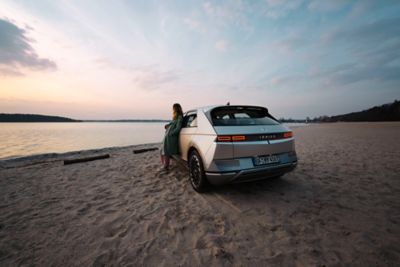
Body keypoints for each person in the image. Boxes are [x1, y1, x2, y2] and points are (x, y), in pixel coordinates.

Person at [161, 103, 183, 170]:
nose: (172, 109)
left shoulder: (179, 117)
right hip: (168, 137)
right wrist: (167, 125)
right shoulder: (175, 117)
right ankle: (165, 165)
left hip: (171, 137)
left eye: (173, 108)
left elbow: (178, 128)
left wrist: (171, 133)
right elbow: (172, 124)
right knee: (163, 151)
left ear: (175, 109)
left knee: (166, 152)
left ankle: (165, 166)